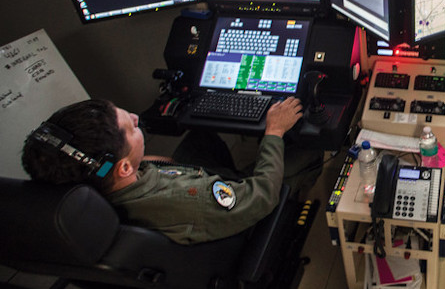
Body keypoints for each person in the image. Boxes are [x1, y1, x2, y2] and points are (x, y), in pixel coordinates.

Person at [21, 97, 305, 245]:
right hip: (231, 206)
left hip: (174, 188)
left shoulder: (91, 183)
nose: (136, 118)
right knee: (307, 155)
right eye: (131, 128)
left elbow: (139, 166)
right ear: (123, 168)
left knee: (200, 137)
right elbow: (263, 195)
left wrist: (142, 163)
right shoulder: (194, 197)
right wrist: (274, 131)